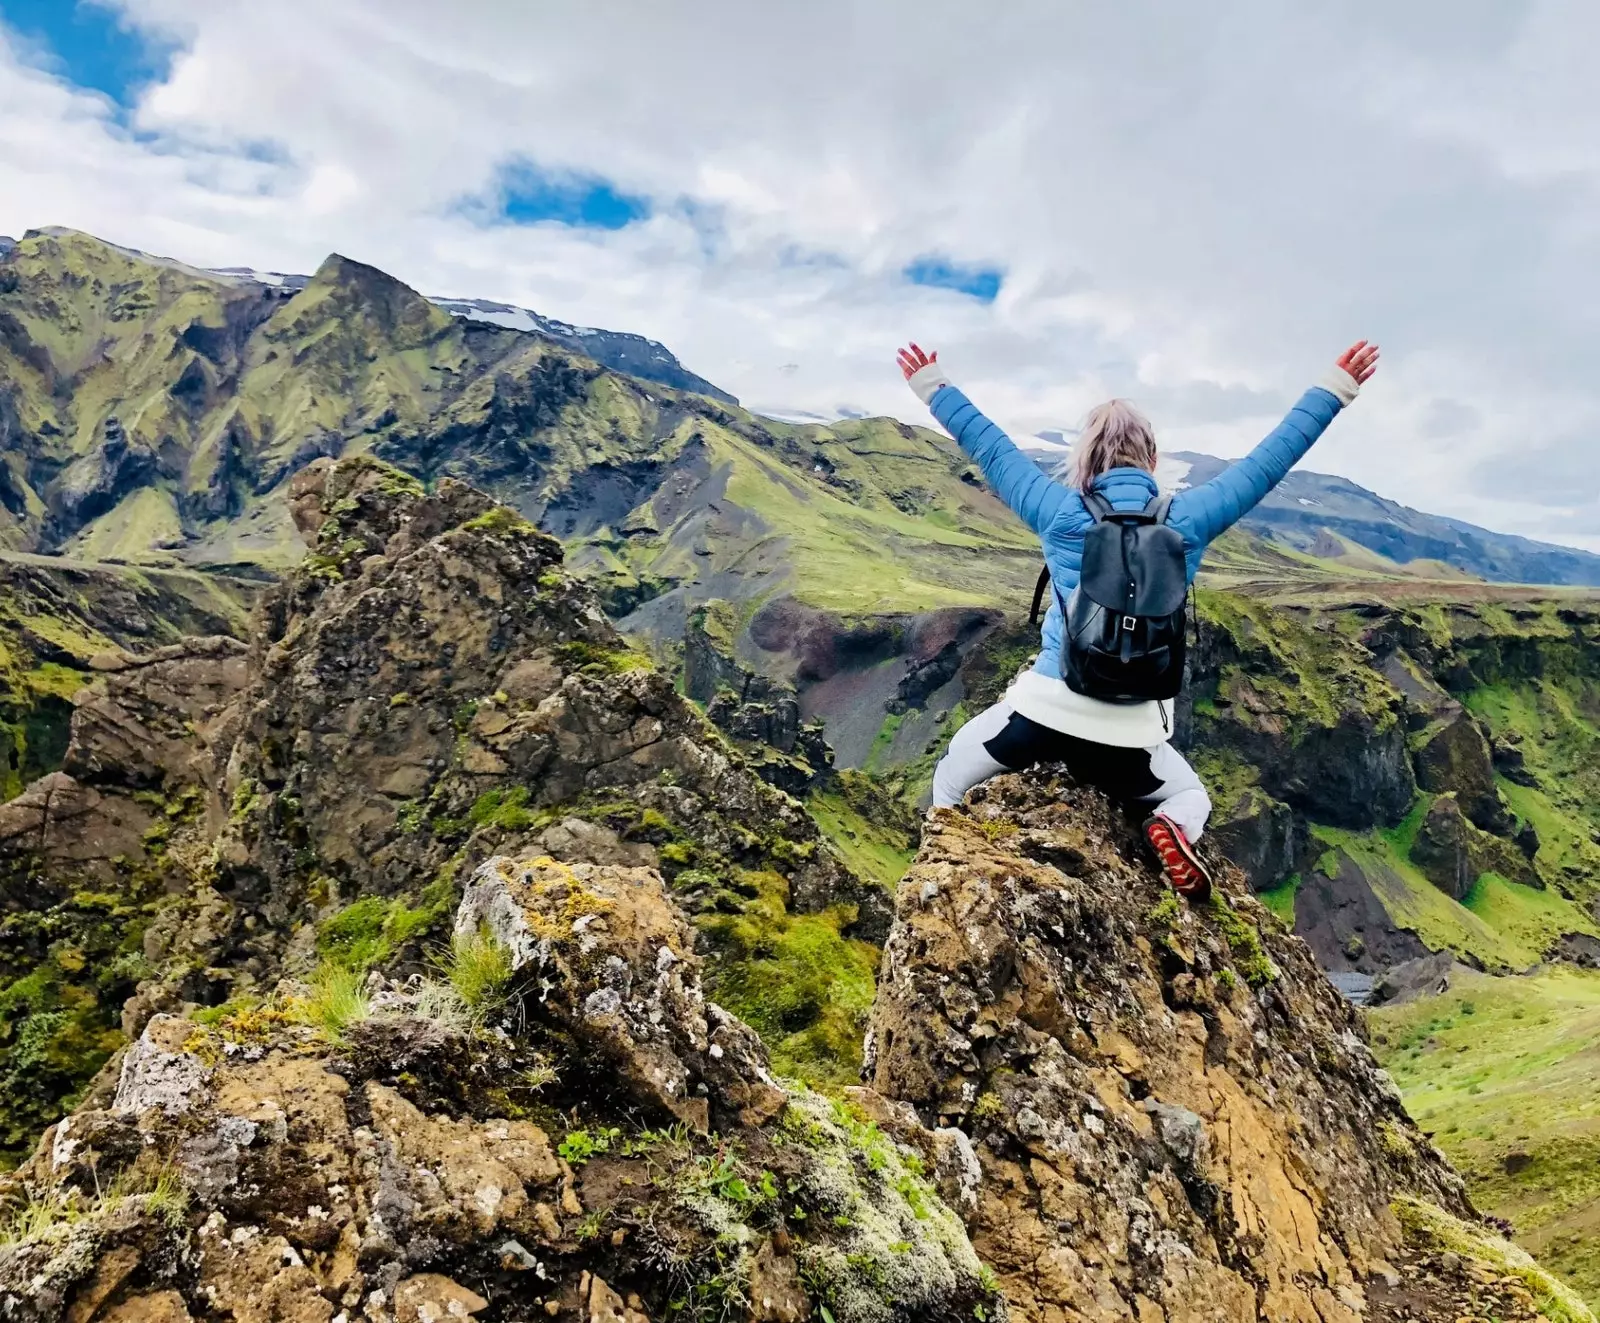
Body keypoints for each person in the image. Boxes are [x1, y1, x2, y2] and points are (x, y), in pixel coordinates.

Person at [896, 338, 1381, 899]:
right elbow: (1267, 464)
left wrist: (932, 386)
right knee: (1189, 796)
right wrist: (1335, 389)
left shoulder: (1056, 510)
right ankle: (1169, 828)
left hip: (1041, 718)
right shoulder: (1189, 519)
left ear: (1085, 460)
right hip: (1130, 740)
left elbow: (992, 449)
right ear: (1151, 460)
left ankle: (943, 883)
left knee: (951, 776)